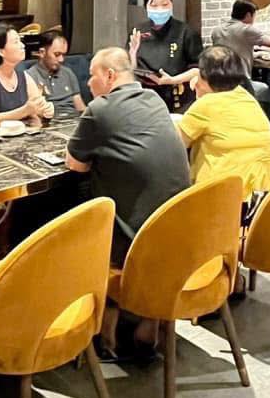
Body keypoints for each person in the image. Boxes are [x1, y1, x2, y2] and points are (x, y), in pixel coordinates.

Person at [67, 47, 190, 357]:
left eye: (92, 75)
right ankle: (146, 317)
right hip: (177, 230)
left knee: (75, 207)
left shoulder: (100, 109)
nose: (88, 82)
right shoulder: (155, 99)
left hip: (134, 241)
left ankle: (100, 319)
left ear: (109, 75)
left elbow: (76, 165)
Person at [177, 46, 270, 197]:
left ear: (206, 78)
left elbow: (177, 146)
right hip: (267, 192)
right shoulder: (246, 96)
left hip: (228, 197)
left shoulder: (206, 105)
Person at [128, 0, 203, 112]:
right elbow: (130, 69)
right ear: (146, 6)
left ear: (171, 4)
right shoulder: (138, 31)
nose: (160, 10)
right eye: (154, 5)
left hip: (177, 99)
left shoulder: (185, 32)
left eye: (165, 4)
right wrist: (132, 54)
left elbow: (198, 68)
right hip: (144, 100)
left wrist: (172, 80)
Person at [0, 24, 53, 129]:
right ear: (1, 52)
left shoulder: (25, 77)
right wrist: (24, 111)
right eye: (16, 42)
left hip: (21, 135)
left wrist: (45, 110)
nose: (22, 45)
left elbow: (35, 109)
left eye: (20, 41)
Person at [211, 0, 270, 104]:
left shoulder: (217, 30)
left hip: (218, 80)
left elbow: (233, 51)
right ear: (248, 15)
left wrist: (257, 53)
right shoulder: (247, 30)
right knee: (267, 91)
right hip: (241, 83)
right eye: (254, 15)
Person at [26, 30, 87, 113]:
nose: (61, 59)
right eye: (57, 54)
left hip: (73, 117)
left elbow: (80, 106)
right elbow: (34, 111)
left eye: (63, 55)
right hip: (50, 118)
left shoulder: (68, 73)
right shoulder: (30, 76)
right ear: (42, 53)